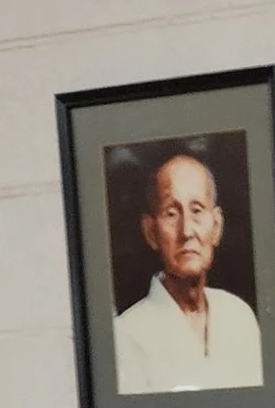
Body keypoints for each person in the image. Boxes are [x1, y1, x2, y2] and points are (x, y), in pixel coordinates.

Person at [112, 143, 263, 392]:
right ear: (151, 232)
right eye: (171, 213)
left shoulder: (239, 316)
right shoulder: (127, 335)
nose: (187, 231)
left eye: (196, 211)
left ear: (216, 226)